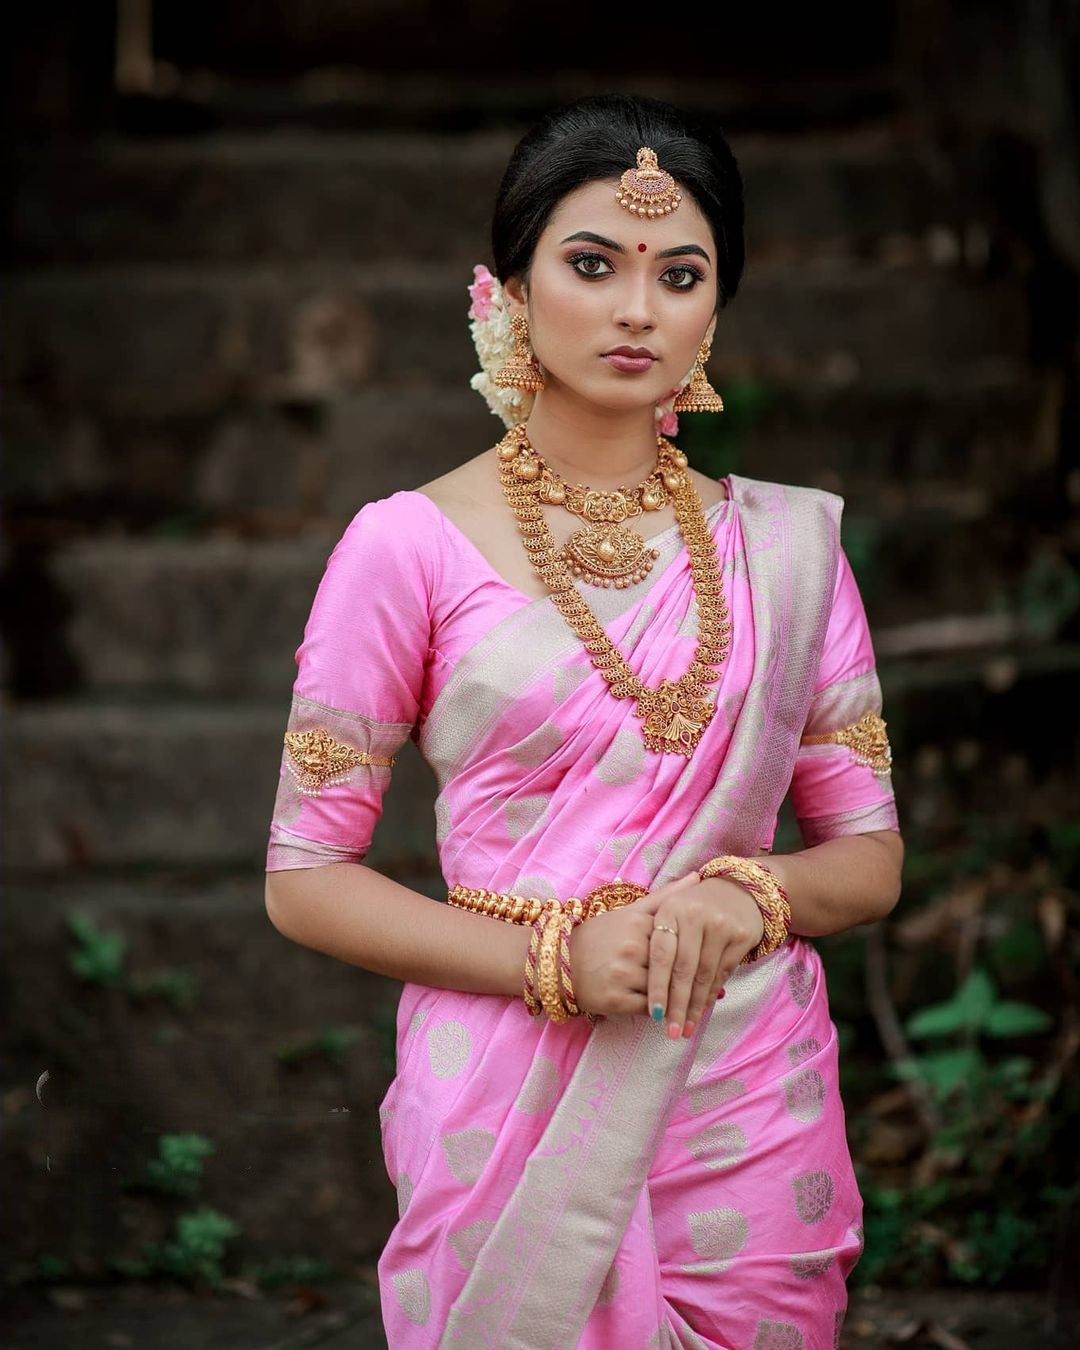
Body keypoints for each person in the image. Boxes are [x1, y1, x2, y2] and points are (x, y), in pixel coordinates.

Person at [264, 92, 903, 1350]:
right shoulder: (406, 547)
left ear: (715, 308)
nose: (635, 308)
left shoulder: (787, 554)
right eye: (593, 263)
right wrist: (550, 965)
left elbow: (870, 858)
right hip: (509, 1077)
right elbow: (304, 878)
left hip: (743, 1084)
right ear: (508, 286)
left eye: (681, 274)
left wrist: (751, 897)